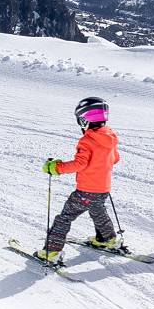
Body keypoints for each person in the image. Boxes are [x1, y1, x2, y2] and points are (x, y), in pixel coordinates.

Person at [39, 97, 122, 263]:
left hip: (86, 191)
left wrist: (56, 168)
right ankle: (108, 239)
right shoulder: (110, 137)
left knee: (64, 218)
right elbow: (115, 159)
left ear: (84, 119)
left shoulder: (88, 140)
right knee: (98, 211)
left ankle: (51, 252)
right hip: (103, 189)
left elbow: (80, 164)